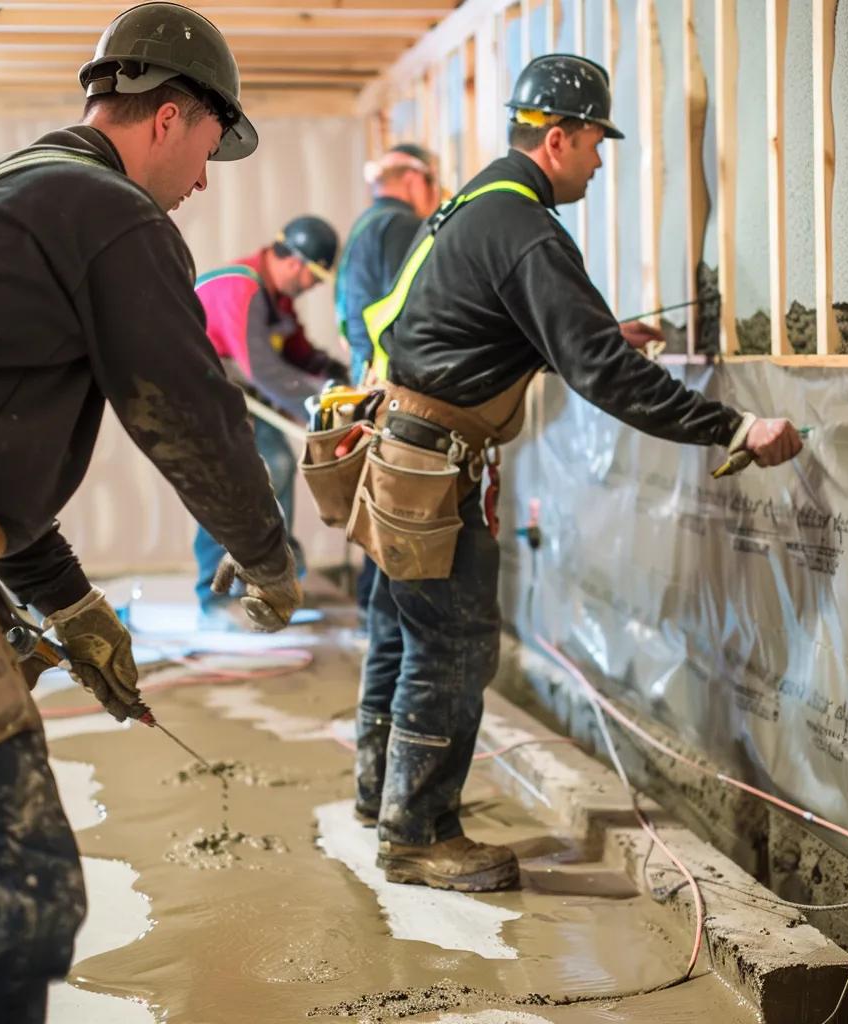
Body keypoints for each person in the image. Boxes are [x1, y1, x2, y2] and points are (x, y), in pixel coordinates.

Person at [355, 54, 803, 892]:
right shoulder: (525, 226)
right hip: (431, 469)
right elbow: (606, 377)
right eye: (596, 143)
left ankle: (382, 798)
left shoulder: (476, 203)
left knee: (408, 631)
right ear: (557, 138)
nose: (599, 163)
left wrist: (581, 337)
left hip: (404, 453)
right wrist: (734, 425)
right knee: (452, 646)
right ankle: (416, 835)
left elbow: (463, 325)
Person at [0, 4, 301, 1019]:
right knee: (13, 903)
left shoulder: (6, 188)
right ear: (168, 116)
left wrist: (68, 601)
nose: (203, 181)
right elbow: (186, 412)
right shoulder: (111, 213)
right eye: (208, 149)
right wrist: (267, 560)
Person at [193, 215, 347, 629]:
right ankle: (214, 598)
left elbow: (298, 354)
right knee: (222, 486)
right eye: (314, 277)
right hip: (203, 396)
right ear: (296, 263)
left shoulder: (274, 297)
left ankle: (271, 583)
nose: (313, 286)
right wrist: (322, 407)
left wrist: (340, 378)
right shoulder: (240, 288)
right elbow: (264, 370)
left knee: (277, 466)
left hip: (238, 396)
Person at [334, 143, 440, 621]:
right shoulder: (400, 225)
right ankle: (383, 616)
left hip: (368, 376)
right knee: (397, 505)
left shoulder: (365, 225)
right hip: (393, 384)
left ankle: (372, 610)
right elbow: (412, 307)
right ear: (415, 181)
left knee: (378, 495)